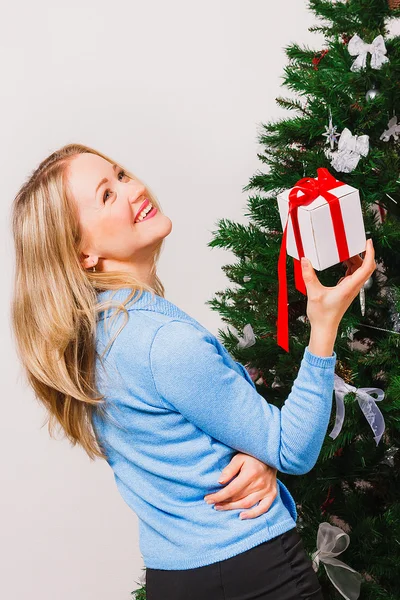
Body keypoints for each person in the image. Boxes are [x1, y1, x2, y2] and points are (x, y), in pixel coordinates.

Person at [11, 143, 376, 600]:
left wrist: (258, 454)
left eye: (122, 174)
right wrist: (323, 325)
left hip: (174, 578)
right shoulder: (161, 341)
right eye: (107, 195)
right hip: (253, 572)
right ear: (82, 253)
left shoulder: (94, 337)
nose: (135, 188)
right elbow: (293, 449)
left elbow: (182, 443)